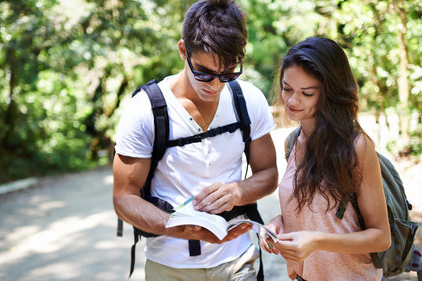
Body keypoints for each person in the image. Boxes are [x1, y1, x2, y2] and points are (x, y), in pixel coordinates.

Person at [112, 0, 279, 280]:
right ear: (183, 51)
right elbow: (123, 197)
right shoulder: (146, 110)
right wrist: (174, 225)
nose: (214, 85)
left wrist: (239, 191)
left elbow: (270, 173)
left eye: (227, 73)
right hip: (170, 265)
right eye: (203, 72)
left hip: (237, 259)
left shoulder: (248, 100)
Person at [261, 36, 391, 280]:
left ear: (330, 93)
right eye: (287, 88)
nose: (291, 100)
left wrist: (317, 241)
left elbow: (381, 236)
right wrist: (277, 223)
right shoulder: (292, 142)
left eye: (306, 93)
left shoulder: (356, 146)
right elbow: (311, 215)